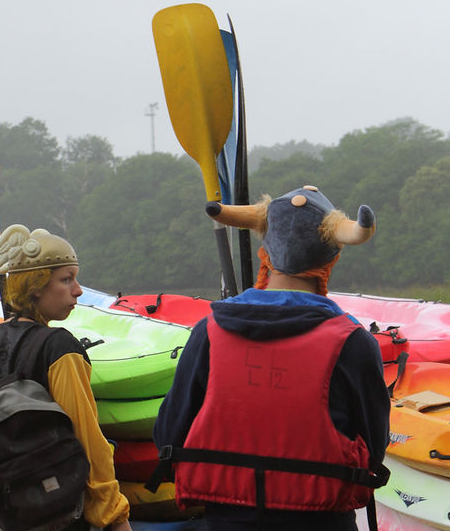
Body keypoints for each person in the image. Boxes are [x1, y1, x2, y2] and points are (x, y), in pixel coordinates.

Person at [150, 185, 391, 531]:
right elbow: (375, 449)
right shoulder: (353, 343)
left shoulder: (209, 331)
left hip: (225, 522)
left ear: (266, 255)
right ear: (330, 258)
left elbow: (168, 436)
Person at [0, 224, 132, 531]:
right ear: (35, 285)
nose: (78, 290)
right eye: (66, 279)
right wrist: (114, 517)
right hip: (55, 516)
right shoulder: (59, 347)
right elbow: (87, 441)